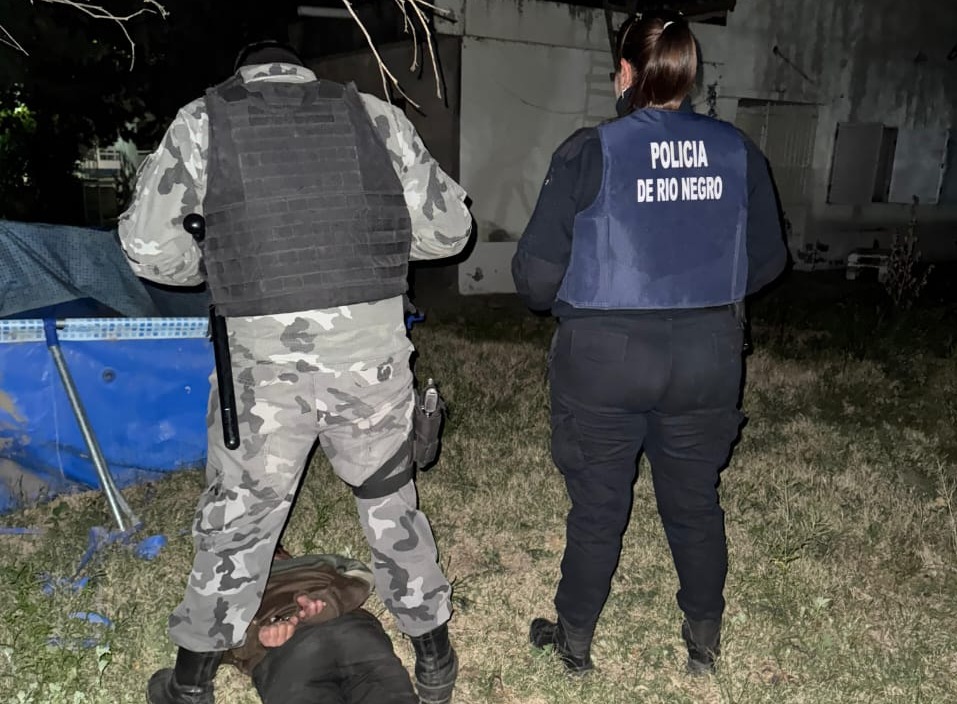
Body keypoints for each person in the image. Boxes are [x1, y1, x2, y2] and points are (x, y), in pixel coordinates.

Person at [119, 40, 471, 704]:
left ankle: (189, 687)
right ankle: (436, 663)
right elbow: (449, 232)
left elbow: (146, 247)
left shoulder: (205, 119)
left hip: (262, 363)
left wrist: (212, 269)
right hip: (370, 354)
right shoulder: (373, 115)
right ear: (307, 73)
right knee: (391, 507)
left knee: (241, 520)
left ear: (242, 73)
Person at [512, 13, 787, 676]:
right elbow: (770, 260)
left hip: (606, 359)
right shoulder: (737, 151)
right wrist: (703, 297)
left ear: (628, 73)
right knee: (694, 502)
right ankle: (703, 645)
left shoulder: (590, 149)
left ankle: (575, 646)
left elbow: (535, 279)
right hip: (707, 357)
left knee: (600, 508)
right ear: (686, 75)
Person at [223, 548, 419, 704]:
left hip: (349, 628)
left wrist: (328, 602)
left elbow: (363, 575)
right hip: (287, 655)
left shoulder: (317, 564)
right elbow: (210, 648)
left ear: (283, 552)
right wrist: (258, 637)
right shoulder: (235, 596)